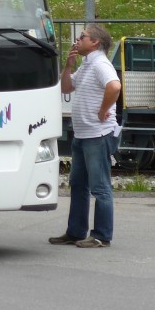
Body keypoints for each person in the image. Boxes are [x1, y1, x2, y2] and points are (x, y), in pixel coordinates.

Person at [49, 23, 121, 248]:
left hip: (98, 134)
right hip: (83, 134)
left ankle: (101, 235)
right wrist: (69, 66)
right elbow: (66, 88)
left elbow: (115, 86)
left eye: (83, 36)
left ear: (95, 42)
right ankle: (76, 231)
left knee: (100, 186)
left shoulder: (100, 63)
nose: (78, 40)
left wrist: (102, 110)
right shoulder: (87, 64)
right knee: (78, 184)